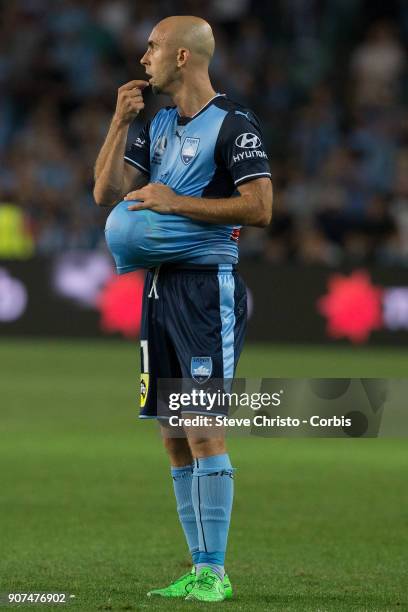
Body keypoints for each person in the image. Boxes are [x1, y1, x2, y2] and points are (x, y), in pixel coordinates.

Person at [93, 15, 272, 603]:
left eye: (153, 48)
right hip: (159, 292)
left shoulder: (235, 125)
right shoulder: (158, 124)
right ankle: (197, 566)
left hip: (203, 292)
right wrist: (118, 125)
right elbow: (106, 194)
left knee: (202, 431)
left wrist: (178, 202)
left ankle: (217, 572)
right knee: (172, 436)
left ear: (184, 58)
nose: (144, 58)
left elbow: (259, 208)